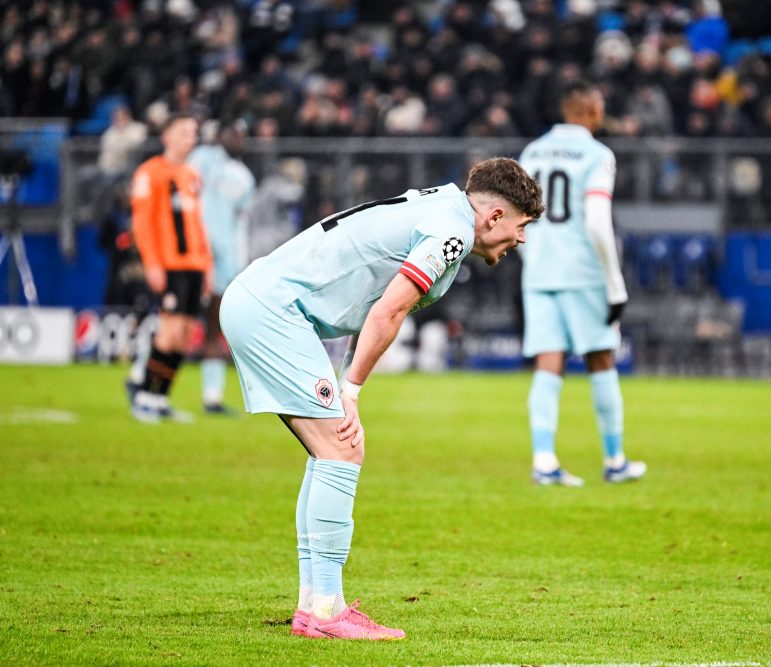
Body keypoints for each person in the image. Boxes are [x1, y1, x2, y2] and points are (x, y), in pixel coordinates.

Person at [219, 157, 543, 640]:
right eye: (521, 226)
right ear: (494, 217)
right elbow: (389, 312)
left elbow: (374, 303)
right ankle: (327, 610)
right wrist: (351, 391)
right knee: (342, 447)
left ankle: (314, 603)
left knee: (329, 450)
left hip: (263, 301)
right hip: (273, 311)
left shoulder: (441, 208)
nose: (521, 239)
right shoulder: (451, 232)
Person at [517, 80, 645, 487]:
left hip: (538, 270)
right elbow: (596, 221)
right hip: (584, 273)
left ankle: (544, 461)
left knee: (548, 364)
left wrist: (531, 257)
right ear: (590, 110)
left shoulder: (532, 152)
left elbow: (516, 219)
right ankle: (614, 460)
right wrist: (615, 285)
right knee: (601, 358)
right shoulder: (597, 154)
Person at [127, 113, 213, 422]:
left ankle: (161, 399)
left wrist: (208, 264)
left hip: (194, 265)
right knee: (169, 332)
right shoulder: (150, 173)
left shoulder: (191, 175)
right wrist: (152, 263)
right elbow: (142, 224)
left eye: (193, 133)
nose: (190, 138)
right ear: (167, 137)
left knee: (186, 334)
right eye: (184, 133)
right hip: (170, 265)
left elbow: (198, 224)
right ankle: (145, 397)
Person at [187, 121, 256, 414]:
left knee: (215, 326)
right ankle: (143, 379)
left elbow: (240, 224)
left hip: (225, 262)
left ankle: (212, 397)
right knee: (177, 321)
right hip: (191, 256)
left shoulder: (244, 177)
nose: (237, 138)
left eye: (241, 134)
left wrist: (239, 263)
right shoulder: (201, 158)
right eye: (232, 132)